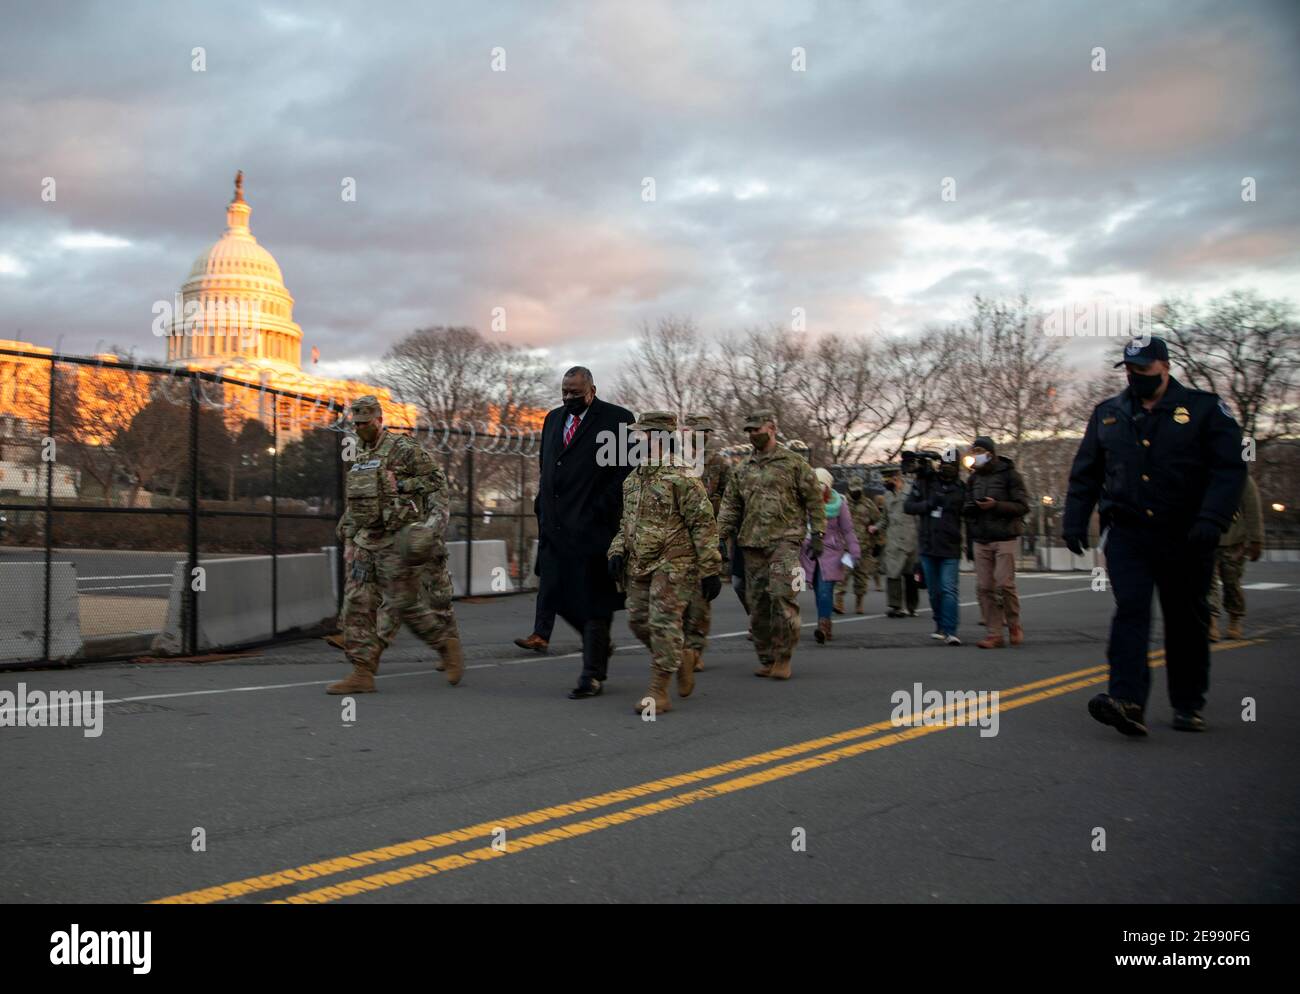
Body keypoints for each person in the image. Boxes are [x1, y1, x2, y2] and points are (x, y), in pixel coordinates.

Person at [1063, 336, 1246, 736]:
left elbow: (1229, 470)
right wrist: (1074, 519)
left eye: (1143, 369)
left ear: (1164, 366)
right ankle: (1127, 701)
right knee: (1131, 612)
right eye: (1129, 370)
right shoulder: (1108, 413)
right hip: (1129, 532)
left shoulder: (1204, 409)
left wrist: (1212, 518)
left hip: (1187, 533)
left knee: (1186, 619)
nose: (1135, 377)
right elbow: (1087, 472)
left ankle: (1188, 703)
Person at [327, 396, 464, 694]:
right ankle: (362, 672)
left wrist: (402, 485)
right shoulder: (360, 452)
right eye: (357, 423)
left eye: (366, 423)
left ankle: (444, 643)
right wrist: (348, 521)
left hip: (396, 536)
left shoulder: (403, 449)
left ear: (379, 419)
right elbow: (362, 494)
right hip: (366, 538)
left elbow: (436, 481)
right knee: (357, 602)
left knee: (404, 603)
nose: (361, 428)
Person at [607, 412, 722, 713]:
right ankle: (679, 655)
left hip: (675, 562)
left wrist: (710, 568)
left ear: (657, 437)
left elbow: (703, 524)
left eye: (640, 434)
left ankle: (659, 691)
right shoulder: (633, 479)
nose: (633, 439)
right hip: (641, 563)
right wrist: (617, 550)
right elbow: (626, 524)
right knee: (637, 620)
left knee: (663, 623)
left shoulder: (682, 476)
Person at [535, 366, 635, 699]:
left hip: (594, 528)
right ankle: (600, 645)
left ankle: (591, 675)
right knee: (556, 595)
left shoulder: (617, 419)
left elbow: (626, 472)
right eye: (564, 391)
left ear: (591, 389)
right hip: (555, 527)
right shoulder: (552, 419)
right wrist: (542, 505)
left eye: (575, 392)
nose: (568, 398)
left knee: (594, 603)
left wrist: (598, 508)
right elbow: (547, 465)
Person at [717, 410, 824, 679]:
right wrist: (718, 536)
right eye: (749, 431)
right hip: (752, 543)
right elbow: (730, 506)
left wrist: (819, 534)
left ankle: (784, 656)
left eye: (757, 429)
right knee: (758, 604)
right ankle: (766, 657)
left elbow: (814, 499)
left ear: (772, 428)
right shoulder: (742, 469)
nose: (753, 434)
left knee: (782, 597)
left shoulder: (794, 463)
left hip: (785, 540)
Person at [962, 435, 1029, 649]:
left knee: (1004, 584)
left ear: (991, 453)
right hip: (981, 538)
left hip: (1005, 536)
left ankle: (1014, 624)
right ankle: (994, 633)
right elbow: (965, 507)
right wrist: (971, 509)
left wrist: (996, 505)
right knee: (984, 587)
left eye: (980, 451)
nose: (976, 455)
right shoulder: (973, 479)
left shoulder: (1010, 475)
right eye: (974, 452)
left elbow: (1022, 506)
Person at [681, 413, 729, 673]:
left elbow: (729, 497)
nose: (703, 436)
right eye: (698, 431)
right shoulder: (673, 459)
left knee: (700, 595)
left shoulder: (718, 462)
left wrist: (722, 534)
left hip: (706, 533)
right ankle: (677, 647)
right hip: (676, 534)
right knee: (674, 594)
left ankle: (695, 650)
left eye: (706, 432)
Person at [904, 450, 966, 645]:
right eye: (944, 464)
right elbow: (908, 506)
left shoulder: (962, 489)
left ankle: (950, 630)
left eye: (952, 465)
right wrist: (928, 504)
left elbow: (968, 516)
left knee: (949, 589)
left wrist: (970, 545)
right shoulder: (927, 483)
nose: (947, 468)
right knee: (934, 591)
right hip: (928, 545)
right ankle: (939, 625)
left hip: (950, 546)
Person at [801, 468, 861, 643]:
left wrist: (854, 551)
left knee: (826, 591)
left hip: (832, 553)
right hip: (810, 552)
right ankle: (824, 622)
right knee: (819, 592)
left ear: (828, 485)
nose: (818, 488)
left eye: (821, 484)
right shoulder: (805, 502)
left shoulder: (839, 503)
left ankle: (823, 627)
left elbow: (848, 530)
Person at [1209, 475, 1264, 641]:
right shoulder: (1202, 475)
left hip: (1234, 540)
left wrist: (1256, 540)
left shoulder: (1243, 479)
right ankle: (1211, 621)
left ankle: (1235, 617)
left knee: (1231, 582)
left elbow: (1253, 511)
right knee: (1207, 582)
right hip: (1207, 537)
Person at [834, 473, 881, 614]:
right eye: (853, 489)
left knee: (861, 578)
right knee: (843, 576)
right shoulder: (842, 503)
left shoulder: (869, 504)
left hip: (864, 548)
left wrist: (878, 542)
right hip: (847, 549)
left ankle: (859, 603)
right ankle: (839, 602)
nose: (856, 492)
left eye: (858, 489)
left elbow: (878, 521)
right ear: (849, 489)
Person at [881, 470, 919, 617]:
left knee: (910, 575)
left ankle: (911, 606)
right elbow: (885, 518)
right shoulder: (888, 495)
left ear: (896, 479)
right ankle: (896, 606)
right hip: (893, 539)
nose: (885, 483)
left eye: (887, 480)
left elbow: (918, 517)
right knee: (893, 572)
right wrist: (875, 527)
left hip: (910, 538)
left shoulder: (911, 492)